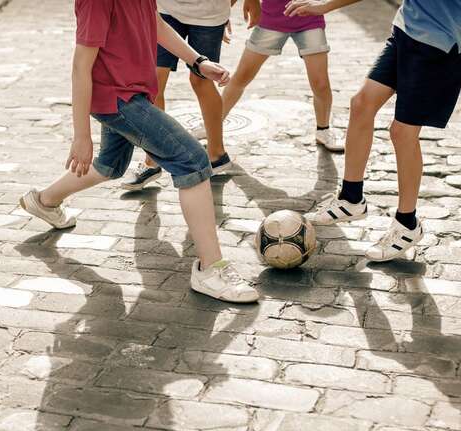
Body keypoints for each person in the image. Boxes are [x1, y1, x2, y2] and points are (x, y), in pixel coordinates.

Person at [20, 0, 259, 303]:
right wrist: (81, 135)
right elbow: (81, 66)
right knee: (192, 160)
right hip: (118, 99)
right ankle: (210, 268)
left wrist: (198, 61)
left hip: (132, 92)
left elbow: (156, 24)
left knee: (110, 164)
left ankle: (44, 201)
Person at [295, 0, 461, 261]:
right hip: (407, 30)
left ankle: (407, 224)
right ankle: (351, 198)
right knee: (361, 105)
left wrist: (324, 6)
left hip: (438, 44)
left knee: (403, 132)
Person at [120, 0, 262, 191]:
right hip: (165, 9)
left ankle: (217, 155)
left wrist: (235, 6)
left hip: (209, 15)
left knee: (201, 81)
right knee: (152, 81)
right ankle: (152, 161)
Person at [221, 0, 344, 152]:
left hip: (310, 20)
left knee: (321, 84)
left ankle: (323, 130)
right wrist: (223, 16)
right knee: (242, 77)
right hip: (270, 20)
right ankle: (212, 126)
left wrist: (324, 4)